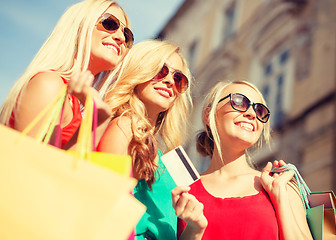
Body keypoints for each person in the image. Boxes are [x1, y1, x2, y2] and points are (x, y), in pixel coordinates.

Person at [171, 80, 313, 240]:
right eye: (239, 102)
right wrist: (193, 230)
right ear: (208, 115)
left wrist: (281, 197)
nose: (252, 114)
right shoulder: (182, 190)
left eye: (259, 111)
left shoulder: (280, 185)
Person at [0, 0, 134, 149]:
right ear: (80, 26)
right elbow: (30, 162)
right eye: (109, 24)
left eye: (126, 34)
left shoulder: (74, 101)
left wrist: (98, 117)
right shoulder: (49, 84)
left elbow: (64, 165)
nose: (121, 38)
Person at [97, 40, 193, 240]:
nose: (169, 82)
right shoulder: (124, 126)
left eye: (178, 78)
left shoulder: (161, 149)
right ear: (139, 71)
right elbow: (107, 206)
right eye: (160, 70)